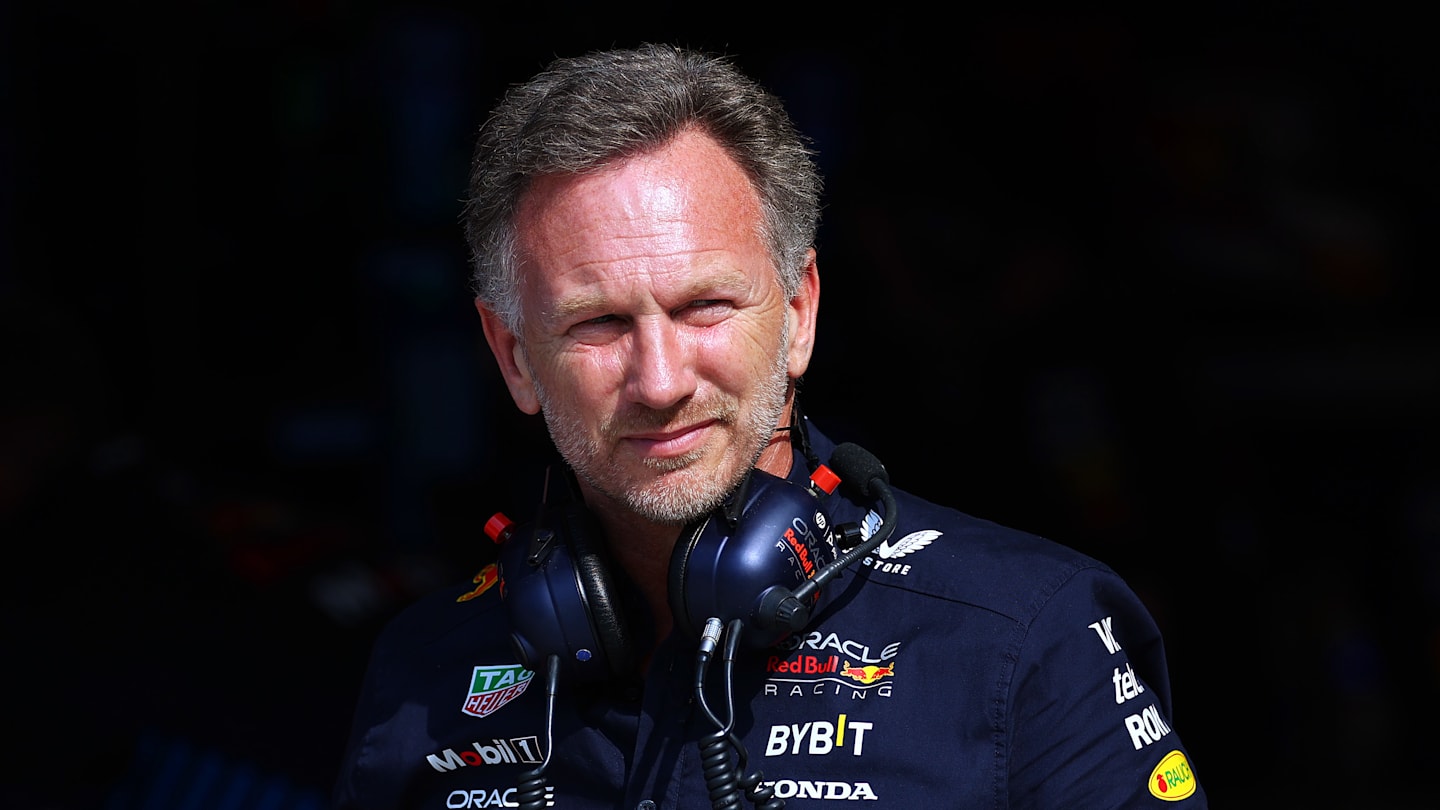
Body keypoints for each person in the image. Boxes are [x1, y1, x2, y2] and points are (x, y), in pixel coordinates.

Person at [334, 43, 1209, 809]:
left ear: (799, 313)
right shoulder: (425, 669)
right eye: (597, 324)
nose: (661, 381)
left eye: (705, 307)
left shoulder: (1028, 634)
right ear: (514, 355)